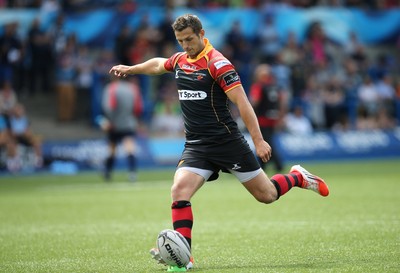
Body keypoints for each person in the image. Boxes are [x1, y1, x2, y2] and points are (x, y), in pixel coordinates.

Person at [109, 14, 329, 272]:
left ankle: (298, 177)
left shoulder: (218, 64)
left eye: (189, 39)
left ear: (201, 33)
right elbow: (159, 64)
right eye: (180, 40)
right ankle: (184, 260)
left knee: (267, 195)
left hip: (227, 143)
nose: (185, 45)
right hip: (196, 146)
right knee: (179, 191)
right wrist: (131, 68)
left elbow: (243, 103)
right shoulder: (181, 60)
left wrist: (258, 141)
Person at [99, 76, 143, 182]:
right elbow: (138, 108)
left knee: (112, 150)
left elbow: (108, 107)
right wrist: (134, 119)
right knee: (129, 148)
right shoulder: (133, 88)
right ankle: (132, 173)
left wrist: (107, 121)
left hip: (113, 123)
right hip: (129, 122)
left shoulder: (111, 88)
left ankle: (108, 172)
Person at [249, 64, 284, 172]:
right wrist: (280, 116)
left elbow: (255, 101)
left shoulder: (258, 86)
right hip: (272, 118)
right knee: (268, 141)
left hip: (261, 119)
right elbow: (282, 101)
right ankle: (269, 165)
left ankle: (274, 165)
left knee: (263, 142)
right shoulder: (274, 86)